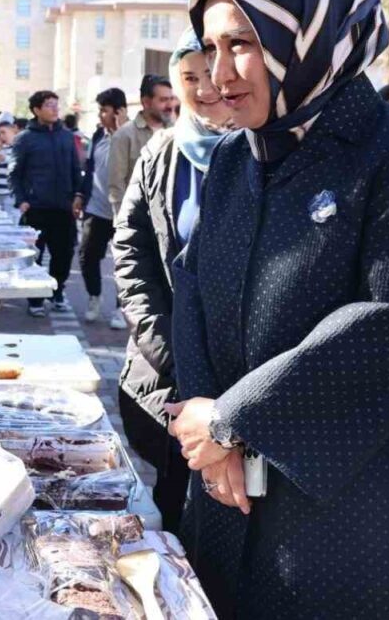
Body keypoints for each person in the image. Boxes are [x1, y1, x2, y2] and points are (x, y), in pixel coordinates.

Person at [164, 0, 389, 618]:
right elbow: (188, 287)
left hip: (344, 511)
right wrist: (206, 423)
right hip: (224, 491)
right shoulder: (229, 159)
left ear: (309, 43)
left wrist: (233, 420)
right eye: (210, 48)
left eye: (242, 44)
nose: (218, 74)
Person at [113, 30, 232, 532]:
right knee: (173, 505)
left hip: (239, 378)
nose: (204, 89)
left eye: (212, 75)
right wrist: (166, 346)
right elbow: (131, 250)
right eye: (189, 78)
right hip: (162, 373)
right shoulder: (160, 152)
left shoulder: (268, 153)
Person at [10, 90, 83, 317]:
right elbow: (15, 174)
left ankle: (57, 291)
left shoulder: (67, 136)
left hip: (64, 207)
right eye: (49, 105)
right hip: (36, 209)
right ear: (36, 110)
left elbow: (75, 169)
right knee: (35, 256)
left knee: (63, 254)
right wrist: (21, 200)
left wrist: (78, 195)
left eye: (56, 105)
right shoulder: (24, 139)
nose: (54, 109)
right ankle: (35, 298)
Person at [74, 87, 129, 328]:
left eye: (104, 111)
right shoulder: (98, 136)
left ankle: (121, 308)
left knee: (125, 263)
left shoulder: (131, 136)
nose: (100, 116)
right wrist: (80, 195)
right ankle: (94, 297)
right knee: (87, 256)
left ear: (119, 112)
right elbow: (91, 168)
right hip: (96, 209)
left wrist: (122, 128)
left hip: (124, 212)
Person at [109, 74, 177, 213]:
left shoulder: (177, 132)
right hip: (139, 220)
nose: (169, 105)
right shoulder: (124, 136)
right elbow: (116, 186)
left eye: (171, 99)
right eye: (163, 100)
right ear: (146, 102)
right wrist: (125, 224)